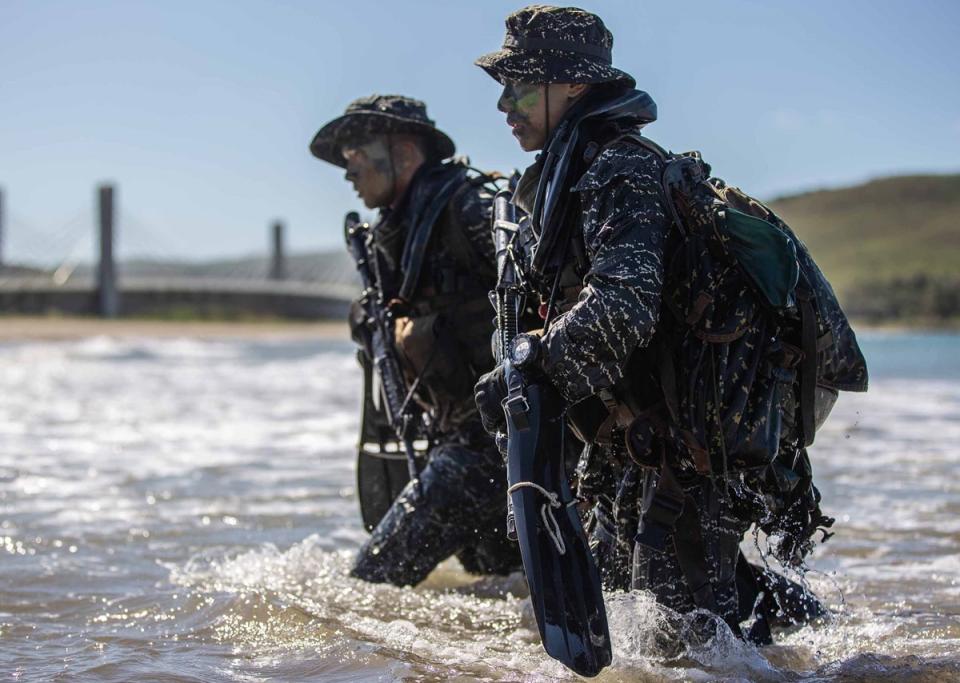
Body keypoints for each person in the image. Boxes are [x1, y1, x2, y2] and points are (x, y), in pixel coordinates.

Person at [473, 5, 867, 641]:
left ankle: (863, 657)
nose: (504, 105)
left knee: (687, 646)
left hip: (688, 455)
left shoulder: (619, 169)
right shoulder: (569, 173)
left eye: (519, 85)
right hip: (645, 445)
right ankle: (847, 650)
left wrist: (529, 359)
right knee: (658, 623)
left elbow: (623, 307)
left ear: (573, 85)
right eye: (502, 88)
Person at [310, 94, 520, 585]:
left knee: (368, 585)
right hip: (459, 438)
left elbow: (548, 289)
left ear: (404, 152)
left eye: (355, 154)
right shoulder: (395, 234)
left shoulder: (471, 207)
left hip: (498, 443)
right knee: (502, 589)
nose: (348, 171)